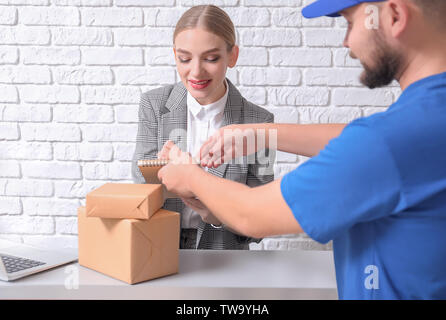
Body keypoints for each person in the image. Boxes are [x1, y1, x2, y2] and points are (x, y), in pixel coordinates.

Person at [158, 0, 446, 299]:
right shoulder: (422, 123)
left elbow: (252, 215)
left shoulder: (385, 143)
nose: (346, 41)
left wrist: (190, 177)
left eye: (350, 22)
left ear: (395, 15)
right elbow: (365, 140)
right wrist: (261, 134)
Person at [131, 5, 275, 250]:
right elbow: (140, 188)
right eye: (185, 59)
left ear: (233, 56)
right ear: (175, 54)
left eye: (211, 58)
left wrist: (215, 213)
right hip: (159, 249)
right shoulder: (153, 106)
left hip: (225, 253)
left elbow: (261, 222)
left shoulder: (260, 122)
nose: (196, 71)